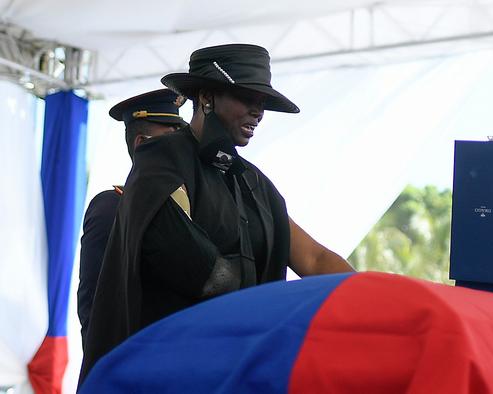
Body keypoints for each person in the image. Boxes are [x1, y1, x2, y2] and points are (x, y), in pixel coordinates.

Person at [79, 44, 355, 384]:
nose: (259, 112)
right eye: (247, 98)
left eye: (263, 103)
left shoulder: (253, 182)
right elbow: (207, 274)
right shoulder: (162, 161)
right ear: (207, 96)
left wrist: (376, 299)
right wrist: (279, 313)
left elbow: (313, 259)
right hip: (167, 375)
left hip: (234, 371)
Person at [77, 89, 188, 348]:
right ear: (142, 144)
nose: (183, 150)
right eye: (172, 138)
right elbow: (94, 307)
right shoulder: (112, 207)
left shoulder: (186, 208)